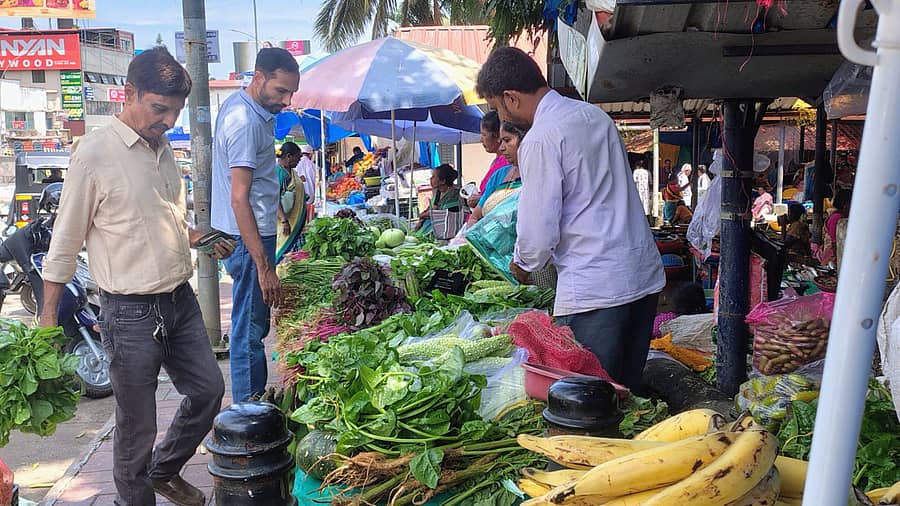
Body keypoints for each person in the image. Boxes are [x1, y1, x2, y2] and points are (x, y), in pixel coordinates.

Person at [40, 47, 233, 506]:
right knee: (136, 425)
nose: (168, 120)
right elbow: (64, 243)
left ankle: (164, 471)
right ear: (128, 93)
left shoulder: (164, 149)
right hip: (128, 312)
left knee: (208, 390)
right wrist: (48, 318)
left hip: (179, 300)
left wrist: (198, 237)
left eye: (175, 111)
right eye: (159, 108)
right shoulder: (94, 153)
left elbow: (155, 216)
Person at [476, 47, 664, 390]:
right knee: (627, 394)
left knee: (588, 402)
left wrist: (522, 264)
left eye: (498, 107)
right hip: (640, 278)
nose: (500, 115)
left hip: (595, 289)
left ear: (510, 97)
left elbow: (537, 231)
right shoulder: (595, 116)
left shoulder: (541, 138)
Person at [212, 47, 299, 402]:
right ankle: (247, 416)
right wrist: (264, 267)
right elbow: (239, 198)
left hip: (250, 236)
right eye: (281, 91)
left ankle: (252, 406)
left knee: (253, 325)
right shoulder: (245, 122)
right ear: (258, 78)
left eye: (291, 92)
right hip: (248, 239)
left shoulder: (247, 109)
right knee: (249, 329)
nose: (287, 100)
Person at [467, 121, 525, 225]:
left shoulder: (537, 177)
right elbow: (474, 217)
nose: (502, 148)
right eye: (502, 141)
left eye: (507, 140)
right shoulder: (499, 174)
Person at [467, 111, 510, 208]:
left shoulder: (506, 163)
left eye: (484, 135)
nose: (481, 140)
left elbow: (504, 198)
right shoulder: (497, 162)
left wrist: (481, 199)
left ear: (498, 136)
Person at [274, 142, 306, 261]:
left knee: (292, 258)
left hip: (294, 221)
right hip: (287, 223)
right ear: (288, 156)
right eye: (298, 157)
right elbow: (274, 198)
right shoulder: (279, 173)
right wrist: (284, 220)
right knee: (284, 255)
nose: (299, 161)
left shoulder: (290, 172)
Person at [415, 164, 461, 234]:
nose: (430, 178)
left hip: (447, 228)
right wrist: (421, 219)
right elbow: (434, 208)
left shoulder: (454, 195)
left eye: (433, 176)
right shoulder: (439, 191)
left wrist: (423, 215)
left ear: (443, 181)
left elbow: (441, 214)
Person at [819, 189, 851, 265]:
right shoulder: (837, 218)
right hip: (832, 259)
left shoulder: (840, 216)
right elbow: (834, 242)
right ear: (845, 204)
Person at [297, 144, 318, 221]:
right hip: (311, 192)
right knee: (308, 213)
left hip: (298, 193)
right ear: (310, 154)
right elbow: (316, 179)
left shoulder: (296, 163)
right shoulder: (312, 164)